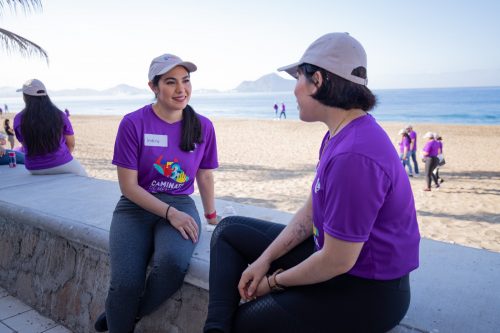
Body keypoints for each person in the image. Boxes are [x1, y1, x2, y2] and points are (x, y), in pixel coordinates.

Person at [204, 32, 420, 333]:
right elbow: (309, 213)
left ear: (317, 80)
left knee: (246, 323)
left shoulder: (354, 156)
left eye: (297, 78)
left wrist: (273, 282)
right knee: (228, 232)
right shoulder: (339, 133)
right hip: (337, 261)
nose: (293, 90)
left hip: (368, 291)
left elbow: (336, 261)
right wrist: (264, 260)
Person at [94, 53, 219, 333]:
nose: (181, 89)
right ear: (153, 87)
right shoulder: (133, 123)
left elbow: (205, 175)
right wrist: (169, 213)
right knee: (125, 282)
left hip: (180, 203)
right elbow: (128, 186)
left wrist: (211, 215)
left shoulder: (203, 126)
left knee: (172, 264)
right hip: (135, 207)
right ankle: (119, 322)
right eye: (171, 82)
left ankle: (125, 314)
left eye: (185, 81)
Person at [13, 79, 87, 176]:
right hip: (62, 163)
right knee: (83, 174)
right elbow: (71, 144)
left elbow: (25, 145)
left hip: (33, 168)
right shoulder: (60, 115)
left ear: (25, 97)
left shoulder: (18, 119)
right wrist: (60, 159)